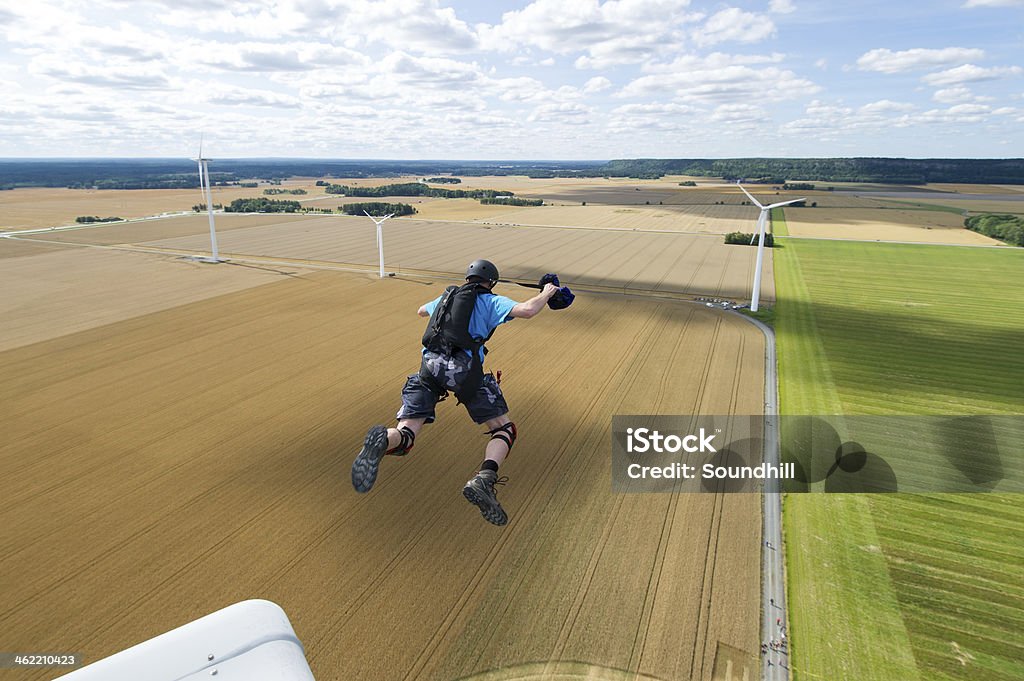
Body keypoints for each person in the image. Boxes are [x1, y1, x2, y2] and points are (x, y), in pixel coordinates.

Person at [350, 259, 563, 526]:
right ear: (491, 282)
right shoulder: (490, 301)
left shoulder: (447, 296)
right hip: (464, 373)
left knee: (407, 433)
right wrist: (546, 292)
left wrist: (440, 305)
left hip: (429, 368)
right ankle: (484, 479)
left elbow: (420, 312)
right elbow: (528, 310)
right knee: (504, 429)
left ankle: (384, 440)